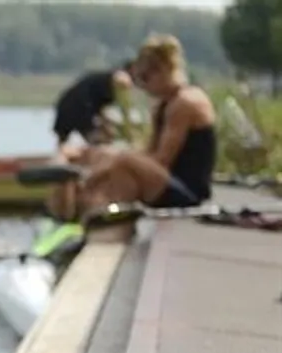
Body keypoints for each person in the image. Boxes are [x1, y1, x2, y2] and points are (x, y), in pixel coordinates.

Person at [52, 34, 217, 219]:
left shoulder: (185, 103)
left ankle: (98, 208)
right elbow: (149, 152)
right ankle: (98, 214)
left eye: (145, 78)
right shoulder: (163, 104)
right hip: (165, 183)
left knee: (124, 160)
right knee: (107, 154)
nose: (143, 86)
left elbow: (162, 161)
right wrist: (107, 158)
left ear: (164, 70)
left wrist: (98, 174)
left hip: (189, 192)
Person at [52, 60, 135, 150]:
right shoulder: (116, 80)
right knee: (99, 140)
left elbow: (100, 109)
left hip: (68, 104)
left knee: (64, 141)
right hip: (79, 107)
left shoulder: (103, 81)